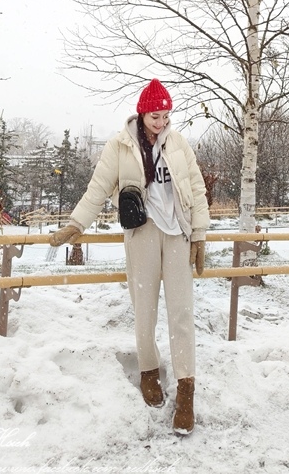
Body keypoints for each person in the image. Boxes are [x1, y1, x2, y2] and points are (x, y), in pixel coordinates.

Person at [49, 79, 209, 436]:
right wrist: (76, 224)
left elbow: (196, 189)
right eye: (155, 115)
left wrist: (199, 233)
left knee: (182, 312)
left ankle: (186, 390)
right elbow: (98, 188)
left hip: (178, 235)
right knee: (145, 310)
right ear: (142, 112)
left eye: (166, 115)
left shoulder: (179, 143)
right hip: (142, 235)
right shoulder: (120, 146)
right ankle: (148, 372)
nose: (161, 122)